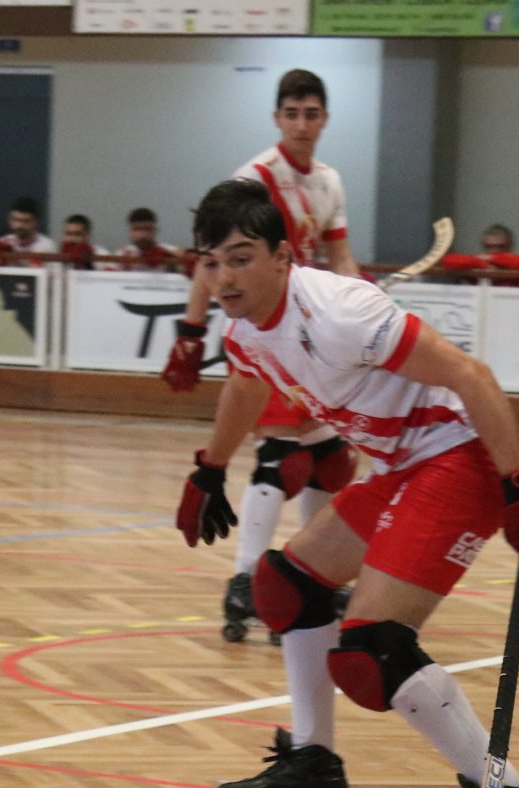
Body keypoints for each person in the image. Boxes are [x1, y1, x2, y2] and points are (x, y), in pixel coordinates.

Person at [175, 178, 519, 788]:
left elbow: (471, 375)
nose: (224, 278)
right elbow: (246, 384)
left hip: (458, 457)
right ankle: (312, 763)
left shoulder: (339, 313)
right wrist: (209, 468)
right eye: (212, 263)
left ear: (282, 258)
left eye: (240, 258)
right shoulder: (246, 330)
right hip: (401, 466)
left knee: (371, 651)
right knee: (286, 586)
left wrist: (518, 483)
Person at [159, 70, 362, 648]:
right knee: (282, 458)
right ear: (277, 118)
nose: (302, 124)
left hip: (313, 331)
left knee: (331, 462)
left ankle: (315, 575)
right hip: (263, 330)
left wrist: (358, 300)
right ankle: (246, 581)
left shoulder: (328, 181)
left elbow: (340, 257)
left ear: (324, 119)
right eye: (292, 113)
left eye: (311, 114)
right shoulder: (255, 179)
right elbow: (210, 257)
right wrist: (191, 330)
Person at [440, 223, 519, 285]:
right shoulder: (475, 262)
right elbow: (447, 260)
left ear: (510, 246)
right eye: (489, 246)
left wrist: (489, 259)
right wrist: (484, 265)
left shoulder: (516, 263)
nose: (494, 250)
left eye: (500, 246)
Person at [118, 207, 180, 272]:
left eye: (147, 229)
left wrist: (171, 263)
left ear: (156, 230)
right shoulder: (121, 255)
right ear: (130, 231)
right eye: (137, 229)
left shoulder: (171, 253)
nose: (142, 235)